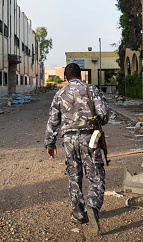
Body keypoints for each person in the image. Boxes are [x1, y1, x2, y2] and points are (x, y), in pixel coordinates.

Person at [44, 63, 109, 236]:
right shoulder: (92, 89)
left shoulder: (59, 94)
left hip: (69, 140)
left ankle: (79, 214)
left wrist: (50, 144)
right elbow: (104, 114)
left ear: (66, 77)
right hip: (90, 139)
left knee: (74, 176)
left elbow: (52, 121)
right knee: (95, 175)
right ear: (81, 75)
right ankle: (93, 207)